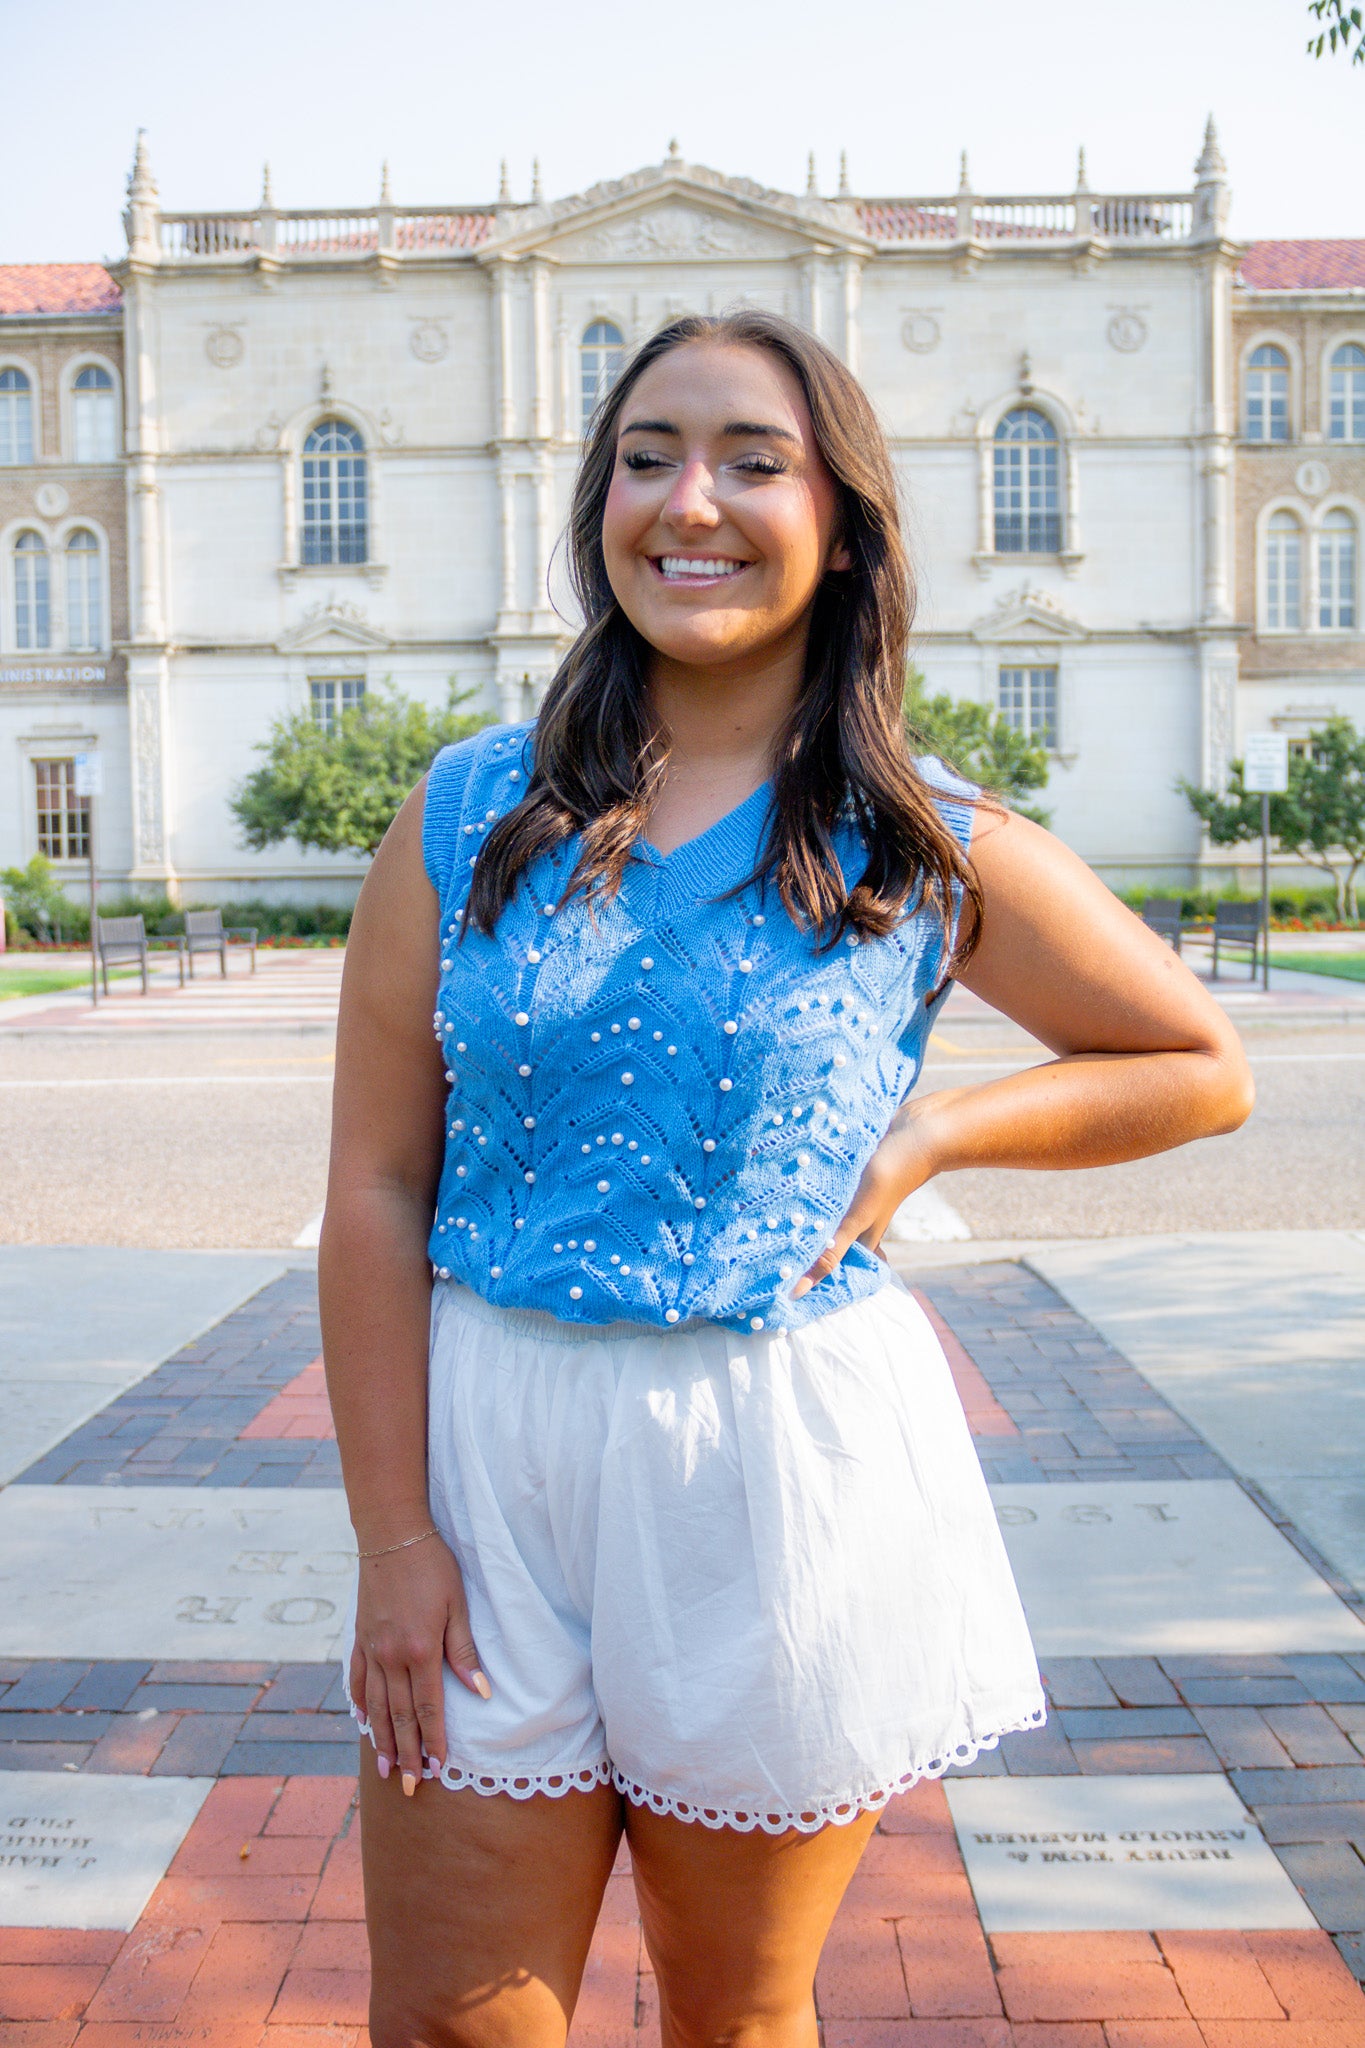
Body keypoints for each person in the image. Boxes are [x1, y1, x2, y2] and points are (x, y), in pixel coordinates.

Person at [320, 309, 1253, 2048]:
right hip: (489, 1454)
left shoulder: (917, 838)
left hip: (773, 1465)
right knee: (453, 2019)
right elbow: (375, 1190)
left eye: (754, 460)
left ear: (842, 522)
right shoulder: (465, 815)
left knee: (735, 2018)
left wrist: (930, 1136)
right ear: (598, 503)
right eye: (647, 454)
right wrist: (394, 1540)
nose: (693, 501)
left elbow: (1194, 1065)